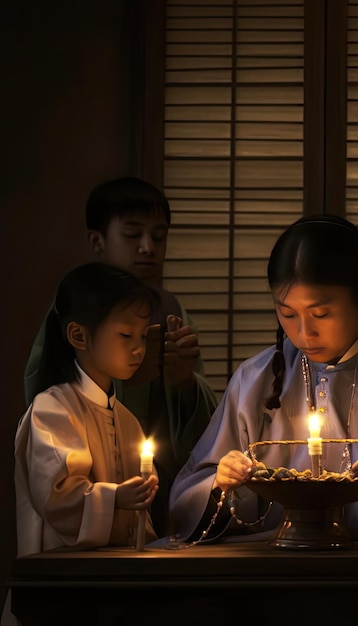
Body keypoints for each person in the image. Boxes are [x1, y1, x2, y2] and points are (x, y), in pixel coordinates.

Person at [167, 214, 358, 546]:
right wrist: (222, 483)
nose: (305, 333)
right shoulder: (254, 380)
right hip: (272, 563)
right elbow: (189, 498)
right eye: (287, 314)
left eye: (321, 314)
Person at [23, 176, 219, 537]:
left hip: (159, 490)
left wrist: (183, 383)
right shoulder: (74, 310)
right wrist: (129, 379)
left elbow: (202, 434)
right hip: (84, 503)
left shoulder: (171, 310)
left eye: (159, 237)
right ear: (98, 241)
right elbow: (46, 390)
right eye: (132, 235)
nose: (148, 247)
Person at [14, 262, 160, 556]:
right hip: (66, 573)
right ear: (79, 336)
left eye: (143, 336)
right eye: (126, 335)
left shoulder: (127, 420)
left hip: (118, 567)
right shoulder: (52, 411)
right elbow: (57, 497)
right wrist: (116, 496)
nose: (138, 349)